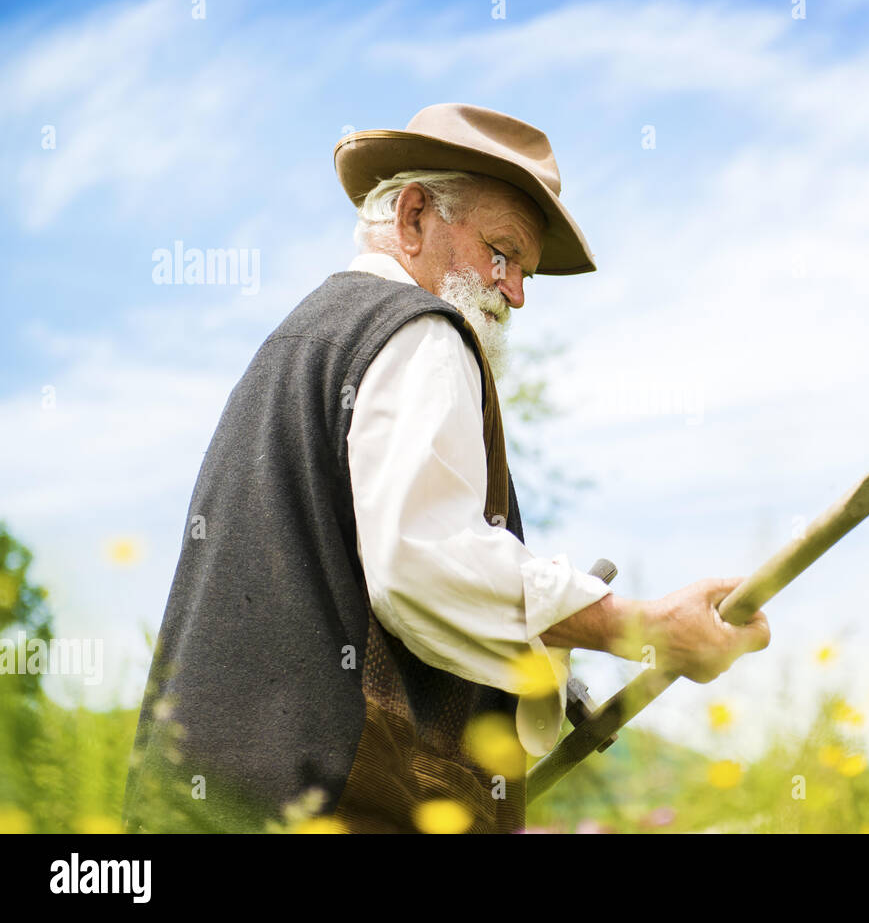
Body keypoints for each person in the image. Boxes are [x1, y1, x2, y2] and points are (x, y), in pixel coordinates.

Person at [122, 103, 770, 833]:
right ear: (413, 217)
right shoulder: (421, 332)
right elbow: (424, 564)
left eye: (525, 268)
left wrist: (543, 666)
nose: (517, 290)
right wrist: (638, 624)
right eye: (502, 251)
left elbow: (365, 594)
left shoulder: (294, 350)